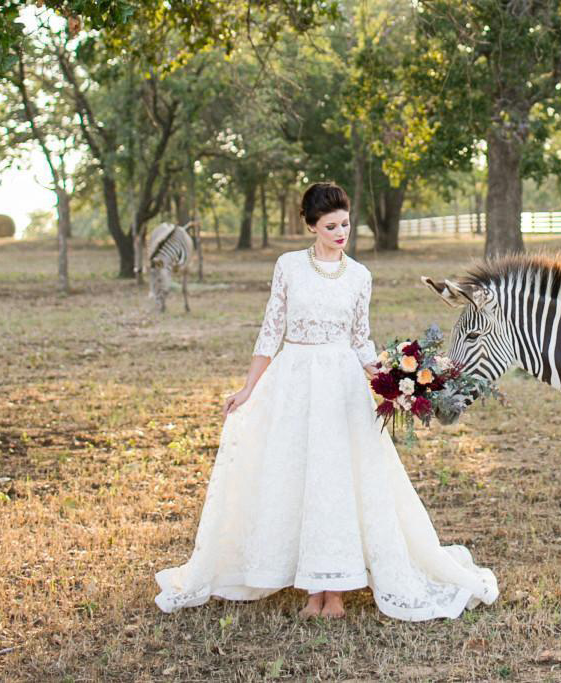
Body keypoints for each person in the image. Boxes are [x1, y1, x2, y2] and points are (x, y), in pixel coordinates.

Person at [154, 182, 498, 620]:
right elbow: (270, 331)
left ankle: (334, 591)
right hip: (294, 381)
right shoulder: (288, 267)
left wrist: (399, 379)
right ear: (312, 226)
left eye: (346, 225)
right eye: (331, 226)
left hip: (341, 388)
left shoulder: (360, 275)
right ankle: (307, 582)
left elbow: (360, 341)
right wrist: (247, 389)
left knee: (337, 480)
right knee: (296, 477)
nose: (340, 233)